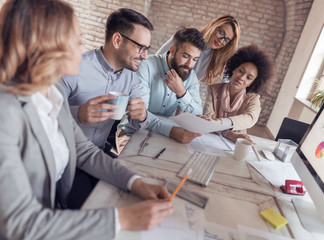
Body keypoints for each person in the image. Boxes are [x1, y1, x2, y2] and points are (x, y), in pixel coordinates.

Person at [0, 1, 173, 239]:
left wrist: (136, 183)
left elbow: (84, 152)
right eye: (77, 39)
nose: (84, 48)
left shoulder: (52, 93)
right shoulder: (5, 112)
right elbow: (20, 224)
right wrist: (123, 218)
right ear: (47, 44)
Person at [60, 8, 155, 208]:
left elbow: (140, 123)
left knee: (128, 199)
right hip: (66, 159)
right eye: (141, 48)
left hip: (97, 154)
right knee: (96, 208)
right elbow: (46, 111)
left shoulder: (130, 77)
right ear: (118, 40)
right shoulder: (76, 67)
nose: (145, 56)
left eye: (147, 49)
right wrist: (78, 114)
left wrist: (141, 115)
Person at [137, 28, 206, 143]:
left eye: (194, 59)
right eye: (185, 56)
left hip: (162, 137)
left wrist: (182, 93)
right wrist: (170, 131)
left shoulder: (191, 76)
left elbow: (197, 115)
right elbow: (140, 115)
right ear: (173, 50)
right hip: (133, 133)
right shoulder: (145, 66)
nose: (189, 64)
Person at [156, 15, 240, 102]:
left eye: (226, 40)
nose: (221, 40)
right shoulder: (185, 36)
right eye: (221, 33)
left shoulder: (212, 58)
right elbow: (157, 59)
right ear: (214, 26)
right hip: (157, 88)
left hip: (176, 102)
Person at [201, 44, 274, 143]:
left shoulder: (253, 99)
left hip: (236, 142)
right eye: (241, 71)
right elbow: (209, 117)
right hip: (210, 138)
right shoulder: (213, 89)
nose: (242, 77)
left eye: (249, 78)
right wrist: (228, 133)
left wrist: (221, 122)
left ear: (252, 83)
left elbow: (250, 118)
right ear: (234, 69)